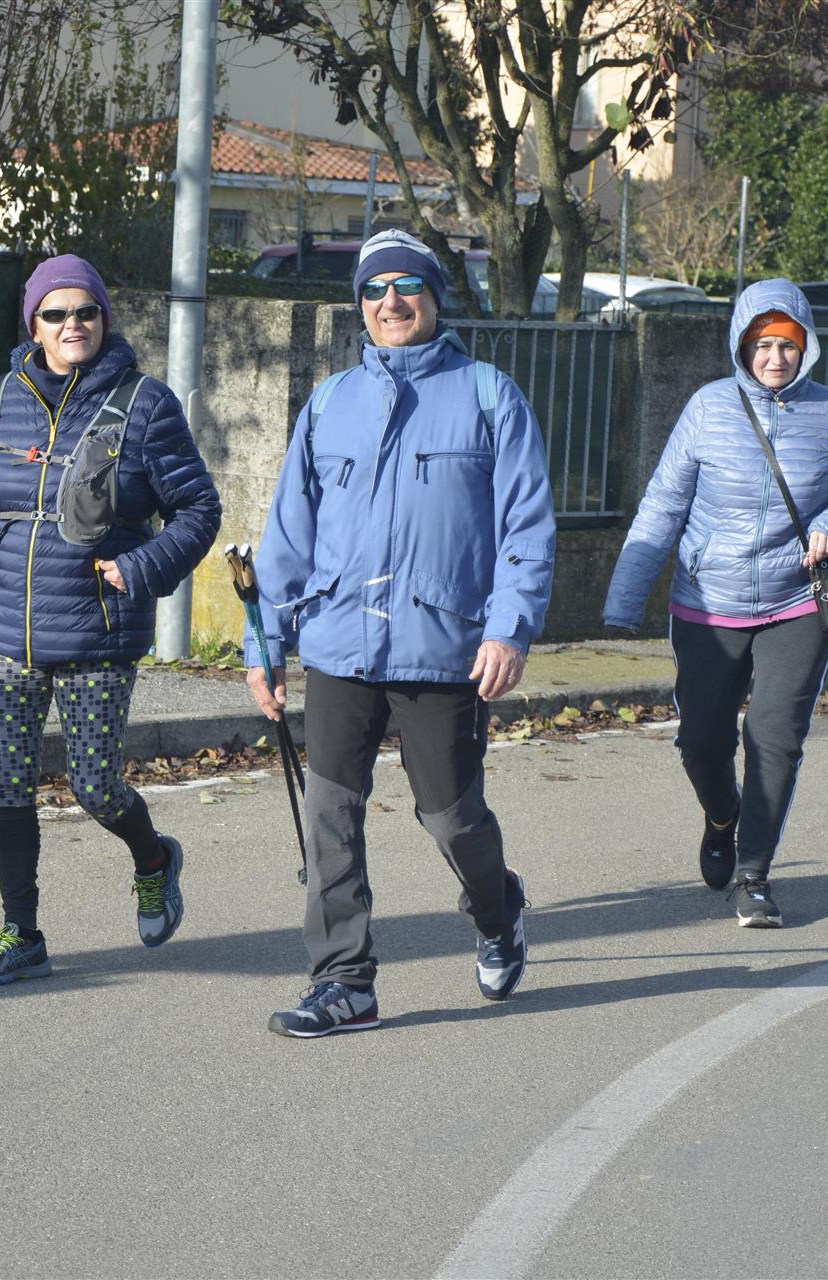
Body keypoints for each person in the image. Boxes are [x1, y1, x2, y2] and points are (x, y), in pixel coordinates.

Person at [244, 229, 556, 1037]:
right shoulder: (330, 402)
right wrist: (264, 644)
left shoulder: (488, 395)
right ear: (360, 305)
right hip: (339, 643)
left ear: (434, 297)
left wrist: (509, 629)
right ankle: (344, 982)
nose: (391, 302)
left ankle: (498, 910)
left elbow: (525, 526)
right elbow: (289, 536)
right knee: (329, 814)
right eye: (375, 289)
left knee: (451, 817)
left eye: (407, 286)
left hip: (443, 647)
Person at [0, 253, 222, 984]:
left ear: (103, 318)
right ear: (34, 326)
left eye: (85, 311)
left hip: (97, 632)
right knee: (9, 786)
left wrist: (140, 568)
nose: (72, 324)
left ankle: (154, 859)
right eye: (55, 314)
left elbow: (198, 509)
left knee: (94, 786)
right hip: (5, 634)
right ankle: (22, 934)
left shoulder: (145, 403)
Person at [603, 279, 828, 927]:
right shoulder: (708, 407)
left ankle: (754, 874)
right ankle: (722, 815)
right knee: (702, 741)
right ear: (741, 345)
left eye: (787, 344)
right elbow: (663, 504)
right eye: (762, 344)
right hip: (710, 601)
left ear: (806, 346)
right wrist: (625, 597)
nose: (775, 357)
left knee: (774, 738)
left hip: (799, 601)